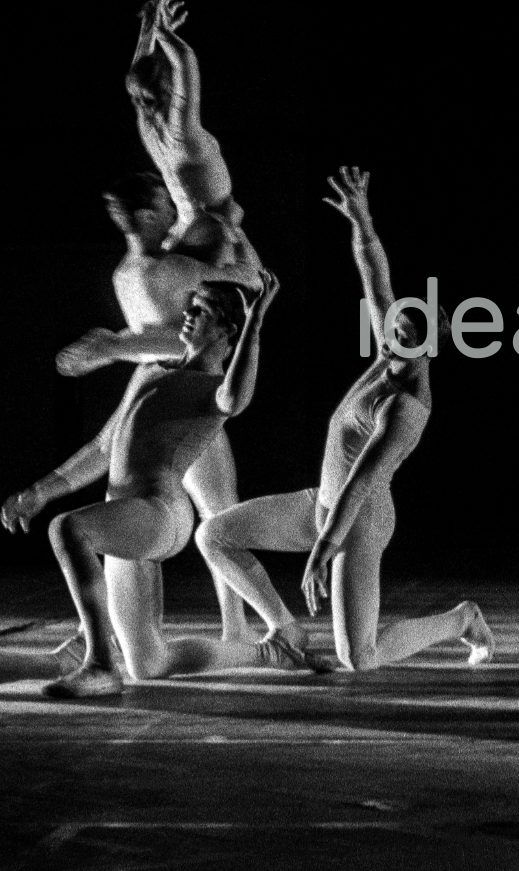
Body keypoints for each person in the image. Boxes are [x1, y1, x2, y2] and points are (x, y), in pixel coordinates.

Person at [0, 272, 294, 697]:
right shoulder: (149, 372)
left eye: (202, 311)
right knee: (149, 662)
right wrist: (39, 491)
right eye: (190, 305)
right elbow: (104, 447)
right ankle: (269, 654)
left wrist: (255, 325)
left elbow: (236, 399)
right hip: (126, 514)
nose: (187, 314)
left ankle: (98, 661)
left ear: (226, 330)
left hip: (160, 513)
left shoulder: (215, 388)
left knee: (70, 528)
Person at [193, 169, 493, 672]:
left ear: (427, 349)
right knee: (213, 535)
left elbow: (360, 483)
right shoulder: (389, 356)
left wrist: (322, 551)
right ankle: (283, 628)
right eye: (394, 324)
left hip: (358, 522)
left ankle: (463, 619)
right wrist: (363, 220)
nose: (389, 329)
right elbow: (375, 278)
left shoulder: (407, 406)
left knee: (359, 657)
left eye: (403, 331)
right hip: (322, 503)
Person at [46, 0, 263, 642]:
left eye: (149, 98)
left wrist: (159, 36)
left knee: (211, 504)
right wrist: (152, 35)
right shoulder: (161, 130)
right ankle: (131, 624)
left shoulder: (176, 135)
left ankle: (239, 623)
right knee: (198, 500)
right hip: (200, 274)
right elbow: (154, 83)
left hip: (215, 250)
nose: (145, 108)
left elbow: (174, 81)